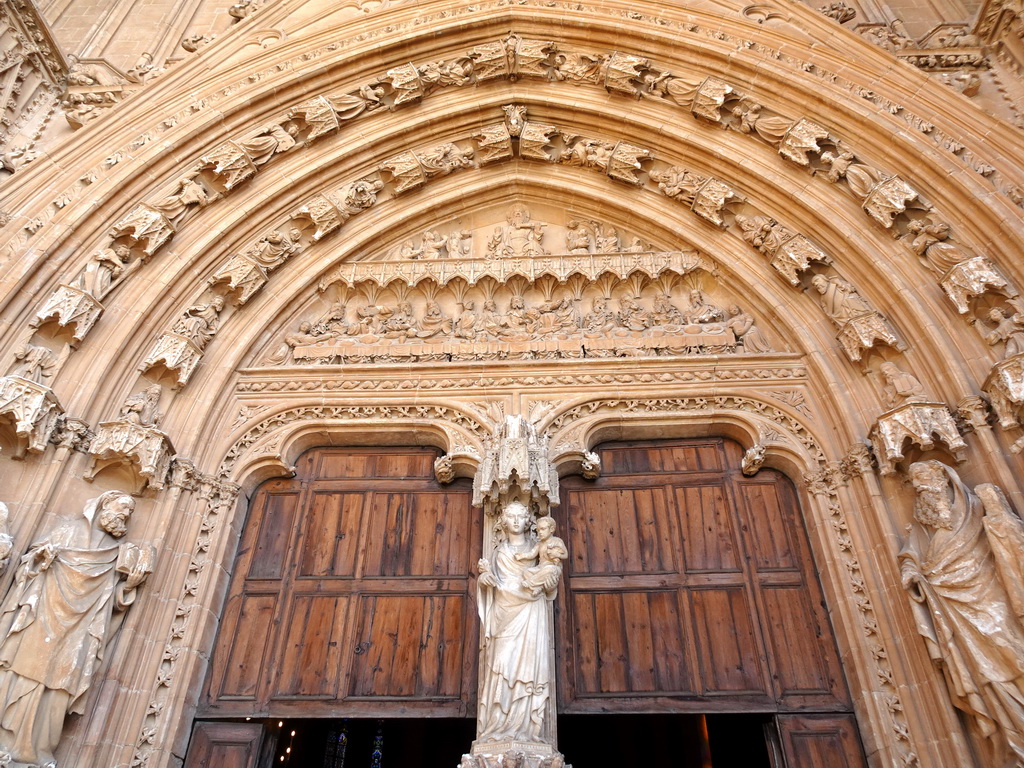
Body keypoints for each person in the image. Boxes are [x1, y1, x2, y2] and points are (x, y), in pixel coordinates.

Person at [0, 491, 152, 767]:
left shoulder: (119, 553)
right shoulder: (67, 531)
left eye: (129, 512)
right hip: (43, 617)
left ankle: (35, 751)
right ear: (104, 504)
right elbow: (29, 566)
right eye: (122, 508)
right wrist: (41, 558)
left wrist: (128, 587)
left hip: (80, 631)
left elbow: (112, 602)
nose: (125, 515)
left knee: (61, 686)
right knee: (23, 673)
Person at [900, 462, 1024, 767]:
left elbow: (1008, 542)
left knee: (1011, 652)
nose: (918, 486)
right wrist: (911, 572)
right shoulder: (923, 522)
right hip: (952, 606)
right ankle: (1010, 740)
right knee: (982, 672)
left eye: (922, 477)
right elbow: (911, 554)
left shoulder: (974, 508)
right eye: (914, 481)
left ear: (942, 476)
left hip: (988, 596)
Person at [475, 501, 560, 746]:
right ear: (502, 521)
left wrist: (548, 578)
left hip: (532, 613)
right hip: (506, 614)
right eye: (510, 516)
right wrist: (485, 579)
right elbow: (496, 586)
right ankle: (499, 726)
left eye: (520, 517)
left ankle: (528, 729)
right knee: (502, 663)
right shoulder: (499, 552)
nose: (515, 521)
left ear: (528, 521)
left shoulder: (538, 547)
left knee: (531, 665)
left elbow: (550, 581)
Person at [515, 517, 568, 598]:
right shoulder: (539, 544)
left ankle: (531, 583)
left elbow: (565, 555)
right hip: (541, 567)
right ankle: (538, 587)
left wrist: (557, 555)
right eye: (538, 530)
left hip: (553, 568)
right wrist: (522, 556)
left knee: (549, 570)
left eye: (543, 529)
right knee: (527, 572)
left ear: (551, 529)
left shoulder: (557, 541)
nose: (540, 532)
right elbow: (532, 554)